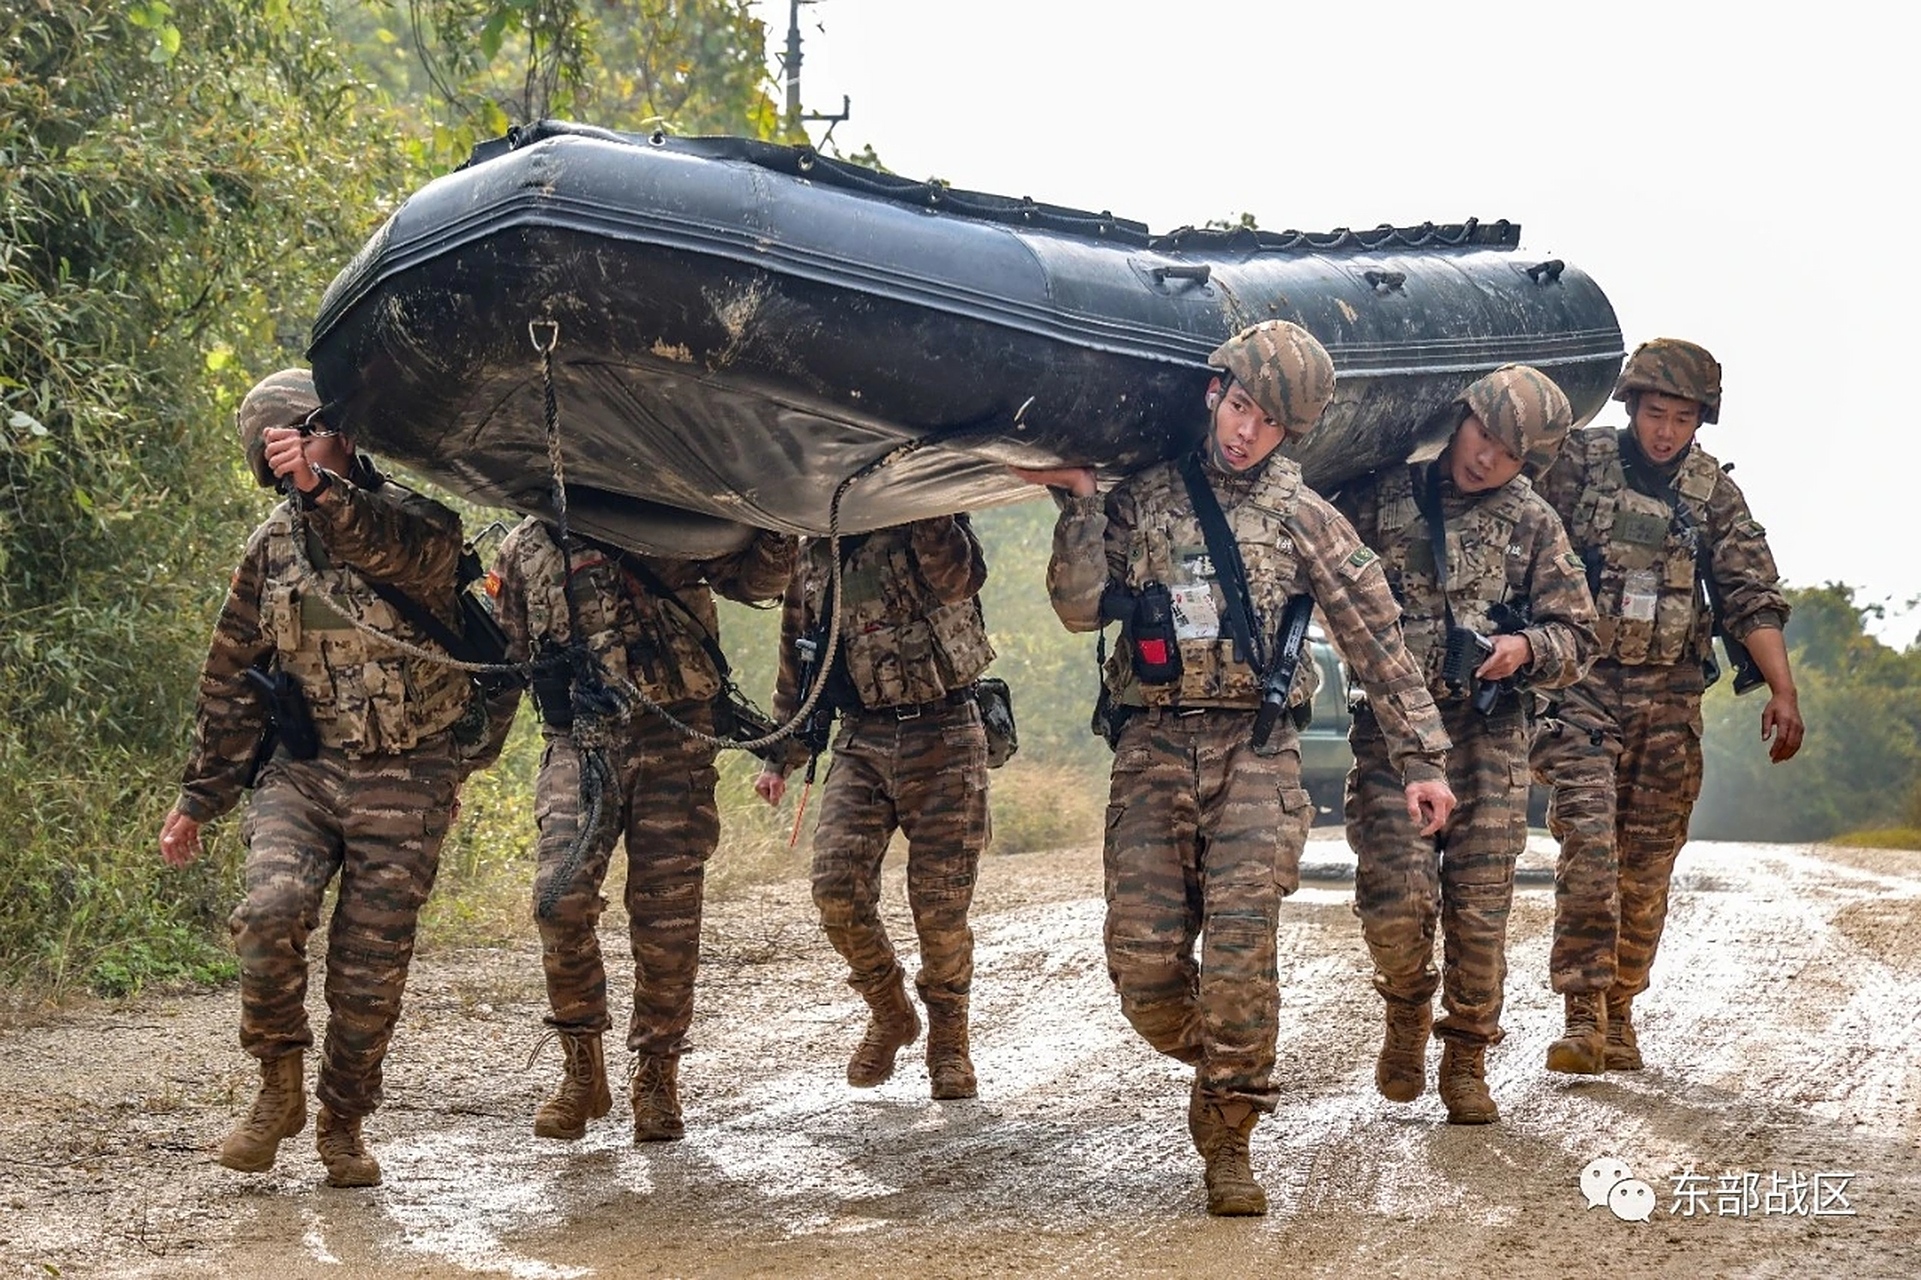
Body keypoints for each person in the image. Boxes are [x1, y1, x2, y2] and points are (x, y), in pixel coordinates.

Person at [1012, 320, 1456, 1217]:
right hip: (1150, 748)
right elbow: (1072, 608)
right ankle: (1229, 1054)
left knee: (1241, 954)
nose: (1245, 432)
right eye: (1241, 406)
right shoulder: (1143, 498)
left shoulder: (1306, 516)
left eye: (1268, 423)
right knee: (1140, 965)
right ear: (1216, 392)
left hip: (1257, 752)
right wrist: (1079, 504)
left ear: (1291, 434)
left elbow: (1377, 640)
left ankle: (1229, 1135)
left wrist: (1422, 759)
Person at [158, 369, 479, 1188]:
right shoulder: (268, 550)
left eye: (311, 436)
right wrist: (200, 797)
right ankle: (279, 1089)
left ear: (344, 434)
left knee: (369, 969)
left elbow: (397, 550)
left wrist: (321, 490)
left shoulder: (416, 519)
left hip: (407, 770)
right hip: (305, 772)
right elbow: (231, 673)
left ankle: (343, 1122)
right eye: (282, 456)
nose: (297, 461)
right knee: (266, 913)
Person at [1531, 337, 1804, 1074]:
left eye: (1683, 419)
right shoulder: (1573, 466)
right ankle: (1581, 1012)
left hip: (1669, 697)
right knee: (1589, 844)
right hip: (1580, 687)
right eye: (1656, 413)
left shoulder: (1710, 493)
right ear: (1630, 406)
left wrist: (1782, 691)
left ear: (1699, 421)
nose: (1665, 432)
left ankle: (1619, 1008)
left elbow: (1750, 594)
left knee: (1647, 862)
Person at [1333, 365, 1597, 1124]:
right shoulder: (1381, 492)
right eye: (1483, 436)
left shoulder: (1531, 521)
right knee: (1393, 899)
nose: (1486, 459)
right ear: (1463, 418)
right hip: (1390, 733)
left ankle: (1466, 1057)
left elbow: (1579, 635)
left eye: (1509, 454)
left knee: (1478, 913)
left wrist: (1521, 647)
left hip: (1487, 734)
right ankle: (1405, 1011)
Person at [489, 517, 794, 1142]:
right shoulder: (523, 547)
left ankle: (657, 1077)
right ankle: (582, 1067)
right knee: (558, 901)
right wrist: (464, 765)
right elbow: (506, 662)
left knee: (667, 916)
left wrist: (779, 521)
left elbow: (759, 579)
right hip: (577, 740)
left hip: (673, 737)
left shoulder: (665, 510)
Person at [753, 516, 996, 1102]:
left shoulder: (929, 519)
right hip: (862, 738)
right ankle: (890, 1009)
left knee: (939, 909)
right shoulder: (813, 551)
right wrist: (779, 756)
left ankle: (948, 1042)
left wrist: (931, 511)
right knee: (836, 887)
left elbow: (961, 579)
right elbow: (798, 658)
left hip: (946, 731)